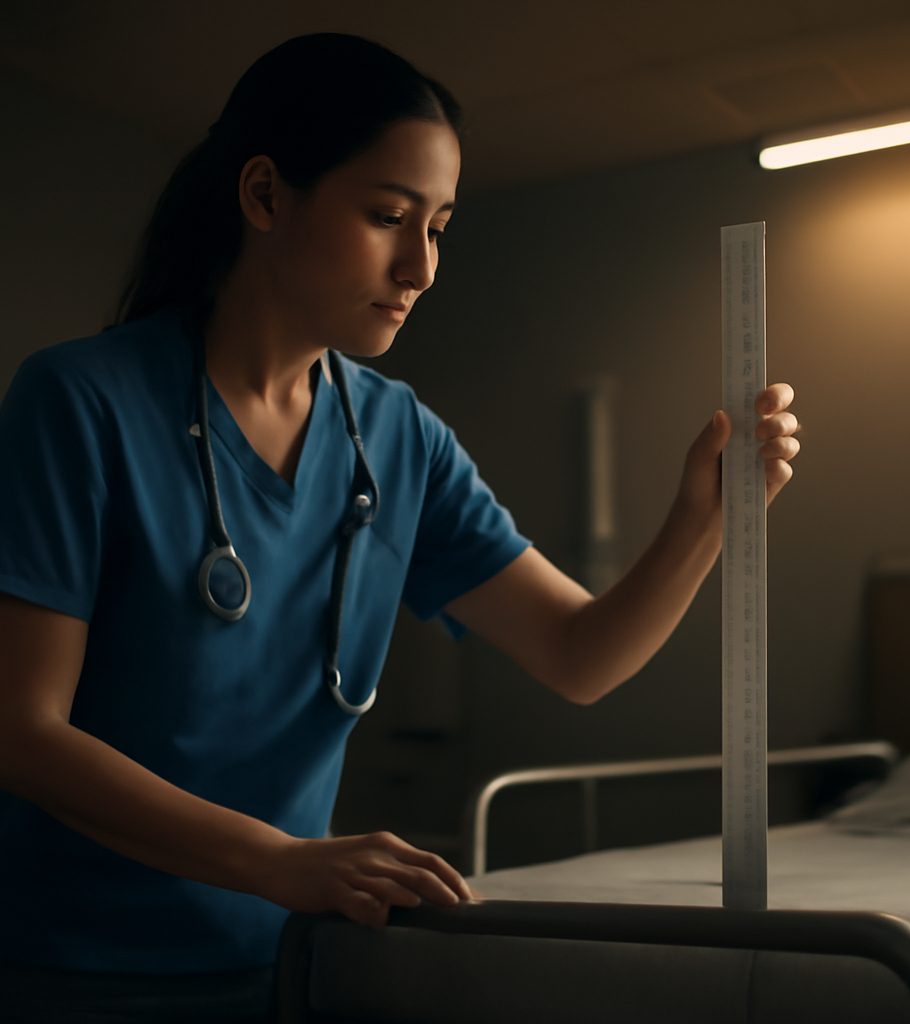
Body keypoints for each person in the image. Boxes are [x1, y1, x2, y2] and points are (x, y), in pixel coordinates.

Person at [0, 32, 800, 1024]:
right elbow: (21, 732)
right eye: (387, 216)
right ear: (262, 196)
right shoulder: (79, 401)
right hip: (69, 971)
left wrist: (701, 517)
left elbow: (579, 653)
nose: (420, 266)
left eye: (440, 227)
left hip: (287, 965)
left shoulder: (398, 438)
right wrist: (281, 859)